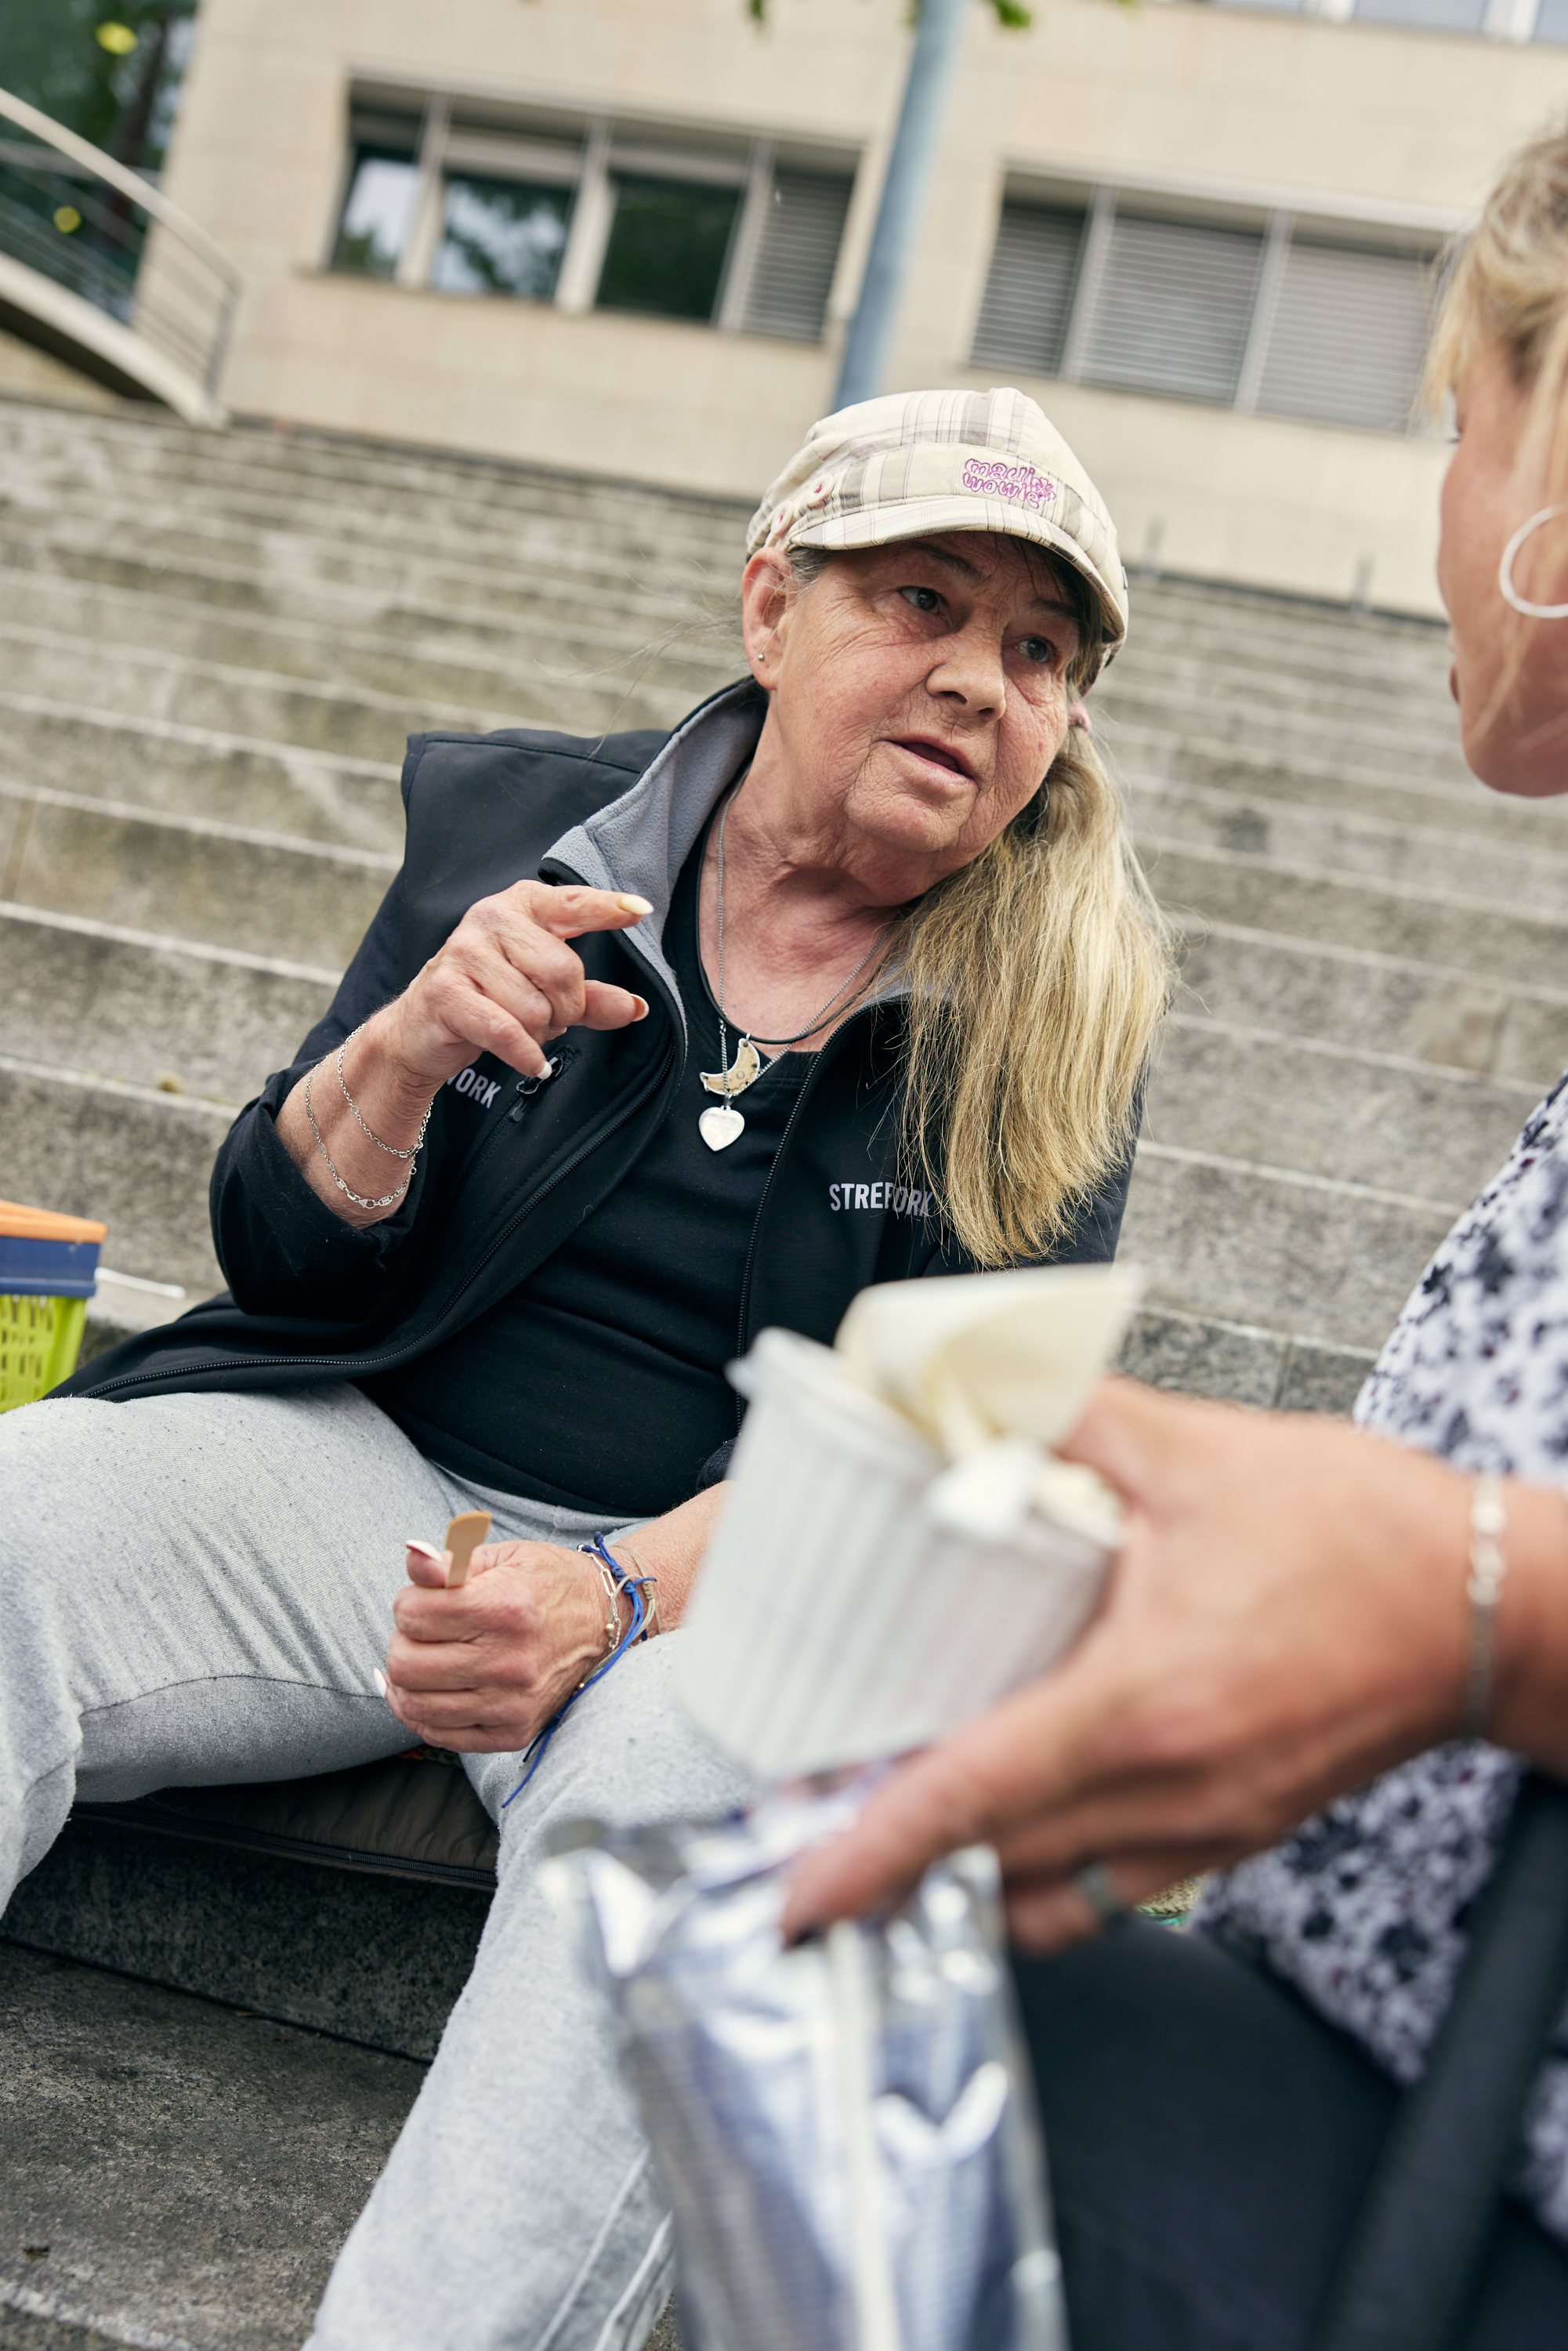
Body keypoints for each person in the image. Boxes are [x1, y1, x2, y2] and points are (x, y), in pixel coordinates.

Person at [0, 387, 1170, 2349]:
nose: (979, 680)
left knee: (674, 1792)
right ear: (769, 607)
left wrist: (613, 1594)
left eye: (1036, 652)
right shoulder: (525, 834)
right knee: (18, 1513)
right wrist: (398, 1057)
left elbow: (938, 1451)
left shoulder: (1056, 1006)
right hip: (373, 1475)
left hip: (737, 1591)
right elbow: (280, 1255)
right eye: (921, 603)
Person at [784, 127, 1568, 2351]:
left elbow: (1469, 1577)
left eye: (1455, 429)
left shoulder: (1053, 1011)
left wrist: (1466, 1596)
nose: (1439, 514)